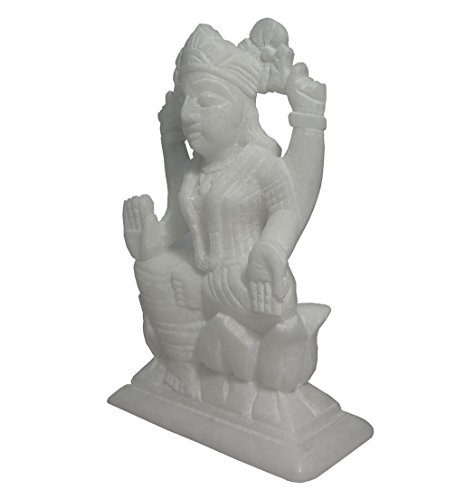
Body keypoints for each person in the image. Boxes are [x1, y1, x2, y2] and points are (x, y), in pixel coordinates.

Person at [123, 22, 329, 411]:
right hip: (204, 274)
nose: (189, 114)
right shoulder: (194, 172)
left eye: (205, 101)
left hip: (246, 280)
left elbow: (289, 208)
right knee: (151, 267)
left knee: (257, 301)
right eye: (187, 101)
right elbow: (178, 221)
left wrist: (270, 249)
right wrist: (151, 241)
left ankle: (242, 356)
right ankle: (182, 365)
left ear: (243, 110)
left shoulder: (260, 166)